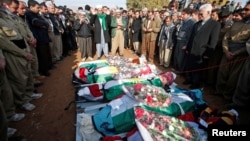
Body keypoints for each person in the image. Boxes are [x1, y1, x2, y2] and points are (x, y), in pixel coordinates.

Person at [215, 1, 250, 100]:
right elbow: (226, 37)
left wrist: (236, 53)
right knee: (222, 73)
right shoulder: (236, 23)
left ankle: (227, 97)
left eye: (247, 10)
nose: (244, 11)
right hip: (227, 52)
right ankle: (219, 92)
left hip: (240, 56)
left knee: (232, 78)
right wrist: (226, 50)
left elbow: (248, 44)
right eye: (244, 9)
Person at [183, 3, 220, 89]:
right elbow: (191, 37)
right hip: (192, 49)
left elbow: (213, 41)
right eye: (199, 13)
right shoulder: (197, 24)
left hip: (202, 51)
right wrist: (188, 48)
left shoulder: (215, 24)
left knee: (198, 69)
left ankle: (195, 84)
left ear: (208, 12)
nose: (199, 15)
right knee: (190, 66)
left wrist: (208, 53)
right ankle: (189, 79)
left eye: (201, 13)